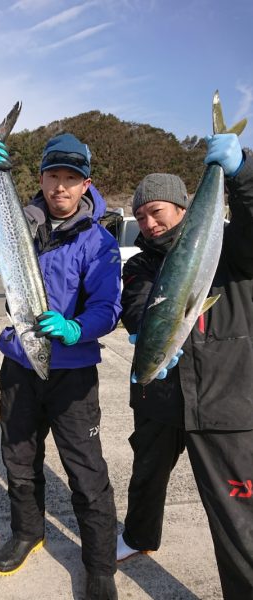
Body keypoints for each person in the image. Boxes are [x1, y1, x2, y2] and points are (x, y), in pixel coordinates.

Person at [0, 133, 122, 599]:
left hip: (72, 375)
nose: (61, 187)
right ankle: (28, 532)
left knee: (87, 472)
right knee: (20, 460)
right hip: (19, 367)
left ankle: (100, 565)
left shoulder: (100, 240)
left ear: (86, 184)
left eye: (72, 179)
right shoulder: (22, 221)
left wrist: (76, 328)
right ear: (42, 178)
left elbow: (108, 306)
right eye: (54, 176)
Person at [118, 133, 253, 599]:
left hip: (224, 398)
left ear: (181, 208)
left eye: (157, 211)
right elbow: (135, 305)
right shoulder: (138, 263)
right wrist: (145, 328)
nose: (148, 223)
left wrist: (242, 173)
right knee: (146, 476)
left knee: (240, 518)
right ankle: (138, 537)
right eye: (140, 216)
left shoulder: (231, 247)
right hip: (159, 395)